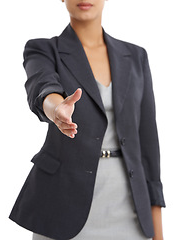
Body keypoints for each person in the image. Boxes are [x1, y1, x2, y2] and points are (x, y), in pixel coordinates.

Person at [9, 0, 165, 239]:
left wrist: (159, 232)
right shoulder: (42, 49)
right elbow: (42, 86)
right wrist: (56, 108)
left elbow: (148, 146)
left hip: (131, 210)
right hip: (63, 209)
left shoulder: (136, 56)